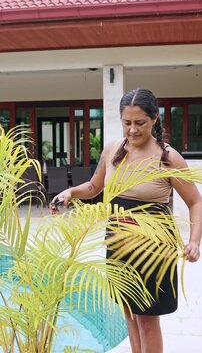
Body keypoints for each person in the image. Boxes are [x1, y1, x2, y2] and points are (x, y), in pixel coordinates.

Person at [50, 88, 202, 353]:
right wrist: (71, 192)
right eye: (127, 123)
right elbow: (94, 188)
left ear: (155, 118)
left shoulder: (168, 158)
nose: (132, 130)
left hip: (153, 246)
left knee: (147, 320)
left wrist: (195, 241)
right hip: (119, 241)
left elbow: (196, 201)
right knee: (129, 314)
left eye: (140, 123)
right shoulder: (113, 151)